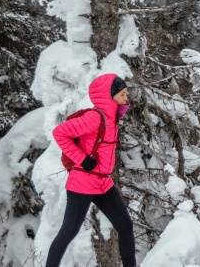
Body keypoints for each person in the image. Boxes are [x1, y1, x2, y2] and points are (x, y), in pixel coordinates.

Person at [45, 73, 138, 267]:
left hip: (103, 182)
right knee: (69, 231)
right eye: (121, 94)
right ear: (109, 95)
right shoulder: (94, 117)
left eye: (125, 93)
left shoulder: (112, 118)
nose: (125, 98)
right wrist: (81, 158)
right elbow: (60, 132)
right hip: (83, 182)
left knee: (125, 225)